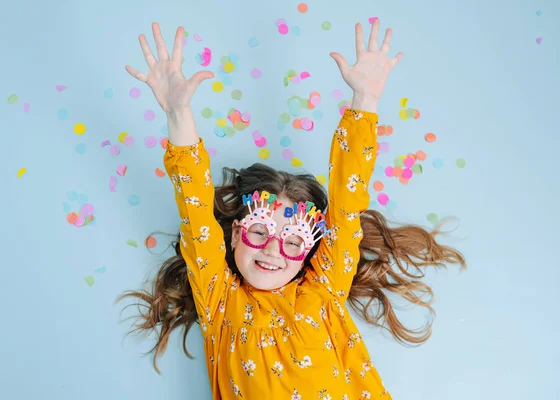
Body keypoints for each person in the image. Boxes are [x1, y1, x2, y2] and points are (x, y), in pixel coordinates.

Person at [119, 20, 467, 399]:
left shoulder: (324, 288)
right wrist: (177, 113)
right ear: (236, 233)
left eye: (293, 240)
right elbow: (195, 209)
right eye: (258, 232)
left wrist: (365, 101)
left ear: (310, 251)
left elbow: (348, 204)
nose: (272, 249)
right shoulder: (220, 300)